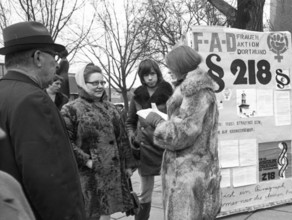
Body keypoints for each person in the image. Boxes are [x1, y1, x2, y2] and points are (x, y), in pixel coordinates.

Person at [0, 21, 86, 220]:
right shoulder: (34, 99)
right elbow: (52, 181)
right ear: (38, 57)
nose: (56, 64)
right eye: (53, 57)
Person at [144, 45, 221, 220]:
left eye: (170, 66)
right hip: (192, 170)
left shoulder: (194, 90)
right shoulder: (191, 88)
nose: (168, 70)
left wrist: (158, 123)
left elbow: (184, 132)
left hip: (189, 174)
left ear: (181, 65)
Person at [60, 63, 136, 220]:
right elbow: (65, 142)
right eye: (94, 83)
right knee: (92, 212)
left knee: (105, 213)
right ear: (83, 83)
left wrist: (128, 164)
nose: (100, 86)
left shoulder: (111, 108)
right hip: (88, 175)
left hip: (111, 172)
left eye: (102, 82)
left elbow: (121, 137)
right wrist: (87, 161)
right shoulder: (70, 110)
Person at [126, 59, 173, 220]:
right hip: (144, 148)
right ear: (141, 77)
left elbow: (177, 119)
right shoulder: (137, 96)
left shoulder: (170, 93)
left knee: (170, 190)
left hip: (165, 147)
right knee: (145, 193)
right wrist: (133, 137)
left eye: (152, 73)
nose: (150, 78)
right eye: (146, 75)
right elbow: (130, 122)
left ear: (158, 73)